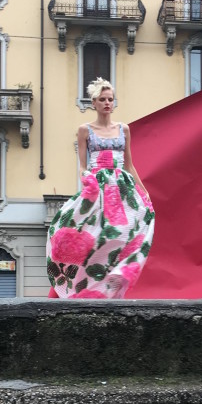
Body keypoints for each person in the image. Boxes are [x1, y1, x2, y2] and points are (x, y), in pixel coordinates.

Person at [46, 77, 154, 298]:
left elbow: (130, 164)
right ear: (93, 103)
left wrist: (144, 191)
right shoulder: (84, 130)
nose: (107, 103)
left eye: (110, 99)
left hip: (121, 186)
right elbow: (82, 167)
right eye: (103, 99)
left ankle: (114, 277)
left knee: (123, 233)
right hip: (97, 185)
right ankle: (78, 282)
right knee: (91, 235)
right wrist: (87, 179)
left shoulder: (124, 129)